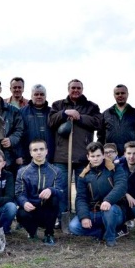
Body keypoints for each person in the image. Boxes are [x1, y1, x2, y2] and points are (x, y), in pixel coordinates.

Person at [48, 79, 102, 227]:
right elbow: (51, 121)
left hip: (82, 156)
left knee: (83, 190)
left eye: (78, 88)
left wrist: (80, 117)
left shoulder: (91, 106)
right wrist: (65, 113)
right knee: (62, 189)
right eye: (73, 88)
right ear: (68, 89)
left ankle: (82, 216)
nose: (75, 90)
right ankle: (62, 217)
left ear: (82, 89)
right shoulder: (58, 105)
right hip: (61, 156)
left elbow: (98, 122)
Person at [69, 142, 127, 247]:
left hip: (115, 210)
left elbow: (121, 186)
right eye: (92, 156)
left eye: (98, 155)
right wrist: (84, 216)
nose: (95, 159)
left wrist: (108, 200)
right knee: (74, 226)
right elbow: (81, 198)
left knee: (109, 210)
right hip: (95, 212)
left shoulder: (115, 168)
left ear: (103, 155)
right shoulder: (83, 176)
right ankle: (101, 233)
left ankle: (110, 237)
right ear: (88, 157)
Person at [15, 139, 64, 245]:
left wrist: (51, 190)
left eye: (41, 149)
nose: (39, 152)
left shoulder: (56, 171)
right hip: (31, 210)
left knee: (55, 198)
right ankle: (32, 232)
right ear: (31, 153)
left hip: (48, 211)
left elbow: (60, 191)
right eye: (35, 150)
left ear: (46, 151)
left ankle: (49, 234)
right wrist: (24, 202)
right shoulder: (22, 172)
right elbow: (19, 193)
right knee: (20, 213)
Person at [97, 84, 135, 155]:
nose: (120, 95)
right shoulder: (106, 114)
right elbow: (100, 136)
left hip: (129, 156)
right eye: (117, 93)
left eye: (123, 93)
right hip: (110, 155)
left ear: (127, 94)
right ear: (114, 95)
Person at [19, 84, 55, 164]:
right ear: (31, 96)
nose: (39, 96)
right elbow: (18, 134)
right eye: (36, 94)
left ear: (45, 96)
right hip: (27, 157)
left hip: (49, 156)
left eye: (42, 94)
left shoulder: (52, 112)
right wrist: (19, 155)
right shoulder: (21, 112)